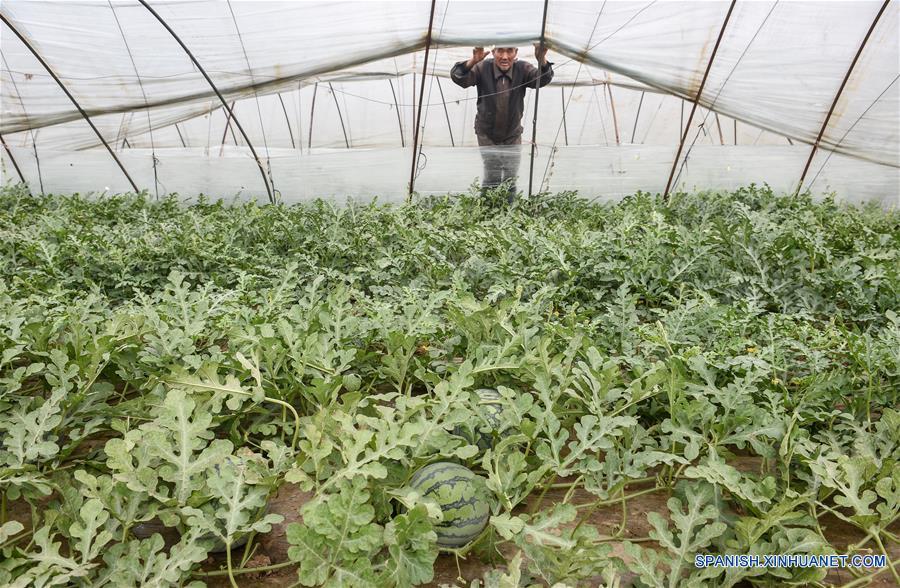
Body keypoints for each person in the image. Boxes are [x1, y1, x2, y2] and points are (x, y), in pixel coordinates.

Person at [451, 44, 554, 203]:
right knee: (491, 173)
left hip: (512, 134)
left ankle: (508, 211)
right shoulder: (483, 67)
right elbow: (460, 78)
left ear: (516, 53)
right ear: (493, 52)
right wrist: (473, 61)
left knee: (510, 175)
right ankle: (487, 211)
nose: (505, 56)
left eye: (509, 51)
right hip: (486, 133)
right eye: (500, 51)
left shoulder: (522, 68)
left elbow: (542, 79)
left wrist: (542, 59)